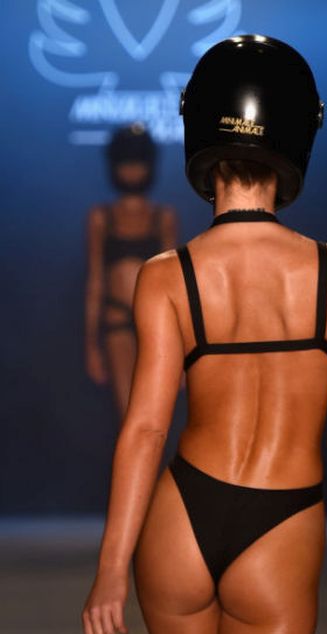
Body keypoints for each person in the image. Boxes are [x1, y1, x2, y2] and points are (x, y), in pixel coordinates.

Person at [81, 35, 327, 634]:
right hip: (284, 524)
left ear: (198, 129)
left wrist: (111, 568)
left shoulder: (167, 275)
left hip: (180, 520)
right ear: (300, 132)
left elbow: (146, 429)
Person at [84, 123, 179, 418]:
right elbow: (96, 280)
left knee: (155, 412)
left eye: (137, 162)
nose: (132, 170)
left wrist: (182, 345)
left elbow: (174, 283)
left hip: (153, 320)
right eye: (127, 162)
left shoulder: (163, 217)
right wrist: (91, 344)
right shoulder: (101, 218)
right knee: (128, 413)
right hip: (116, 318)